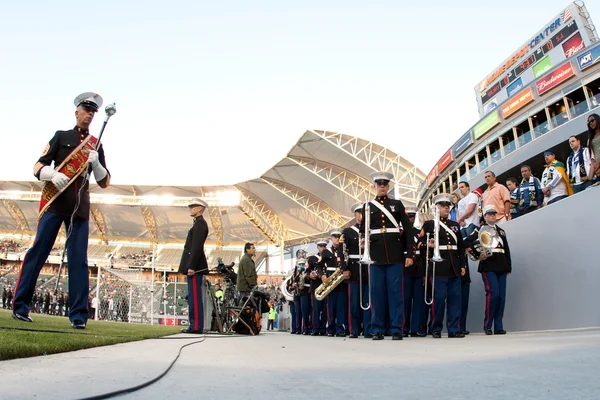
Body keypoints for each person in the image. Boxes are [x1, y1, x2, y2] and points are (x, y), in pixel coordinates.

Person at [12, 92, 110, 329]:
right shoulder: (61, 136)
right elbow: (37, 166)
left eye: (92, 112)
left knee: (79, 261)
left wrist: (96, 163)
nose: (88, 114)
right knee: (38, 254)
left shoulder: (96, 144)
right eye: (85, 110)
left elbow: (105, 181)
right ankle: (20, 306)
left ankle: (78, 316)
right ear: (76, 112)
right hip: (56, 203)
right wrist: (52, 174)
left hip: (79, 209)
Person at [361, 171, 413, 341]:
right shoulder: (367, 206)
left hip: (395, 255)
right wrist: (363, 243)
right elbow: (363, 231)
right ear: (374, 186)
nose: (382, 187)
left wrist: (409, 253)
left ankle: (397, 328)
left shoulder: (397, 204)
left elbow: (408, 229)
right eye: (379, 184)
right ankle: (377, 329)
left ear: (388, 186)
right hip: (375, 256)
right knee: (377, 294)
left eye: (384, 184)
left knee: (396, 294)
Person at [419, 193, 466, 339]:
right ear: (437, 208)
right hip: (438, 267)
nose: (446, 208)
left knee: (455, 299)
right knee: (438, 299)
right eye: (443, 206)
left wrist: (462, 265)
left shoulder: (455, 225)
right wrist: (428, 244)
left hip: (454, 266)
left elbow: (460, 247)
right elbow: (419, 244)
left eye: (448, 206)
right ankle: (436, 328)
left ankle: (453, 329)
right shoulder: (429, 224)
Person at [464, 205, 512, 335]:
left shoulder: (501, 231)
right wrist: (476, 255)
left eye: (494, 214)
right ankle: (488, 325)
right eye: (489, 214)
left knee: (501, 297)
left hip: (501, 264)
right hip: (489, 265)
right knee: (493, 294)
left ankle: (498, 325)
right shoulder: (479, 230)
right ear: (484, 217)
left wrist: (508, 266)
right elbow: (466, 242)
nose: (492, 216)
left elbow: (506, 249)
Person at [340, 203, 372, 339]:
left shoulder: (370, 230)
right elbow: (342, 252)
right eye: (359, 214)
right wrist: (344, 269)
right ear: (355, 215)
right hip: (353, 268)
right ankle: (354, 329)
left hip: (368, 268)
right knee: (354, 302)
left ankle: (368, 329)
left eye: (364, 214)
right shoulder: (347, 231)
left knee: (368, 300)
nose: (361, 216)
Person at [178, 198, 209, 334]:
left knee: (195, 297)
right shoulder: (197, 224)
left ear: (200, 208)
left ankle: (196, 326)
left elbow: (196, 247)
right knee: (192, 296)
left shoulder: (200, 224)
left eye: (193, 206)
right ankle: (193, 325)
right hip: (194, 266)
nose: (190, 209)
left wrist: (191, 266)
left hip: (195, 267)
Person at [403, 207, 426, 338]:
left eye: (412, 217)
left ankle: (415, 328)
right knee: (405, 300)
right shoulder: (401, 234)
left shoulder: (419, 233)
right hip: (405, 269)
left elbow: (422, 252)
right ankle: (404, 327)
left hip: (418, 269)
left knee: (418, 300)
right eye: (409, 217)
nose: (411, 219)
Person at [587, 114, 600, 183]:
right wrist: (594, 166)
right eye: (589, 122)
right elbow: (592, 156)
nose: (591, 123)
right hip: (598, 167)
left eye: (592, 120)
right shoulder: (590, 139)